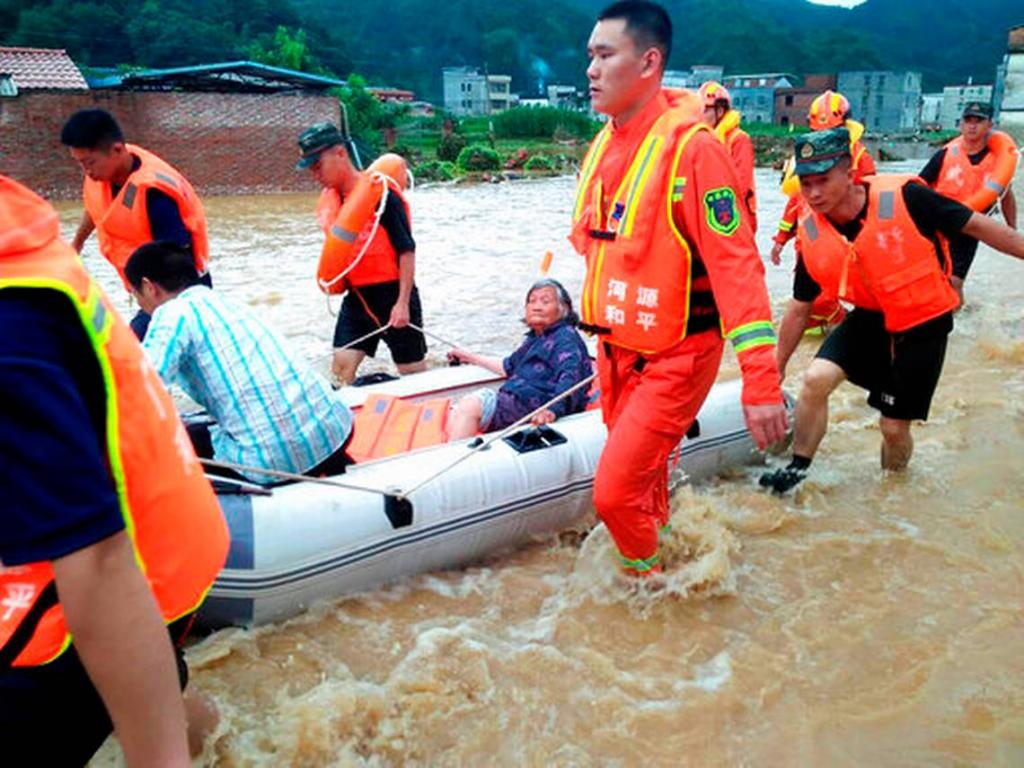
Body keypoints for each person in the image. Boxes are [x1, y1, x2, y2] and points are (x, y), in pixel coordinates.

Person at [0, 174, 228, 765]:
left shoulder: (15, 320)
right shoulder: (29, 249)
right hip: (172, 536)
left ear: (148, 288)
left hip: (112, 574)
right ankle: (225, 744)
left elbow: (97, 558)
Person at [573, 1, 788, 577]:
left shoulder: (695, 151)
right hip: (619, 351)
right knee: (641, 482)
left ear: (648, 62)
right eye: (589, 56)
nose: (590, 69)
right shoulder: (606, 146)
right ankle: (663, 540)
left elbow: (737, 267)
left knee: (613, 496)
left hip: (678, 353)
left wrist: (761, 381)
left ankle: (649, 588)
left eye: (604, 55)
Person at [761, 127, 1024, 495]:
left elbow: (980, 227)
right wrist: (776, 368)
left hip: (924, 321)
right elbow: (800, 306)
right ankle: (798, 467)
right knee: (815, 379)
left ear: (850, 174)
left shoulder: (907, 196)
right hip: (872, 316)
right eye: (806, 184)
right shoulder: (811, 229)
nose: (814, 193)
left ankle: (894, 492)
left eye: (823, 180)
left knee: (893, 428)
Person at [125, 241, 354, 484]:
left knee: (182, 439)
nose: (138, 304)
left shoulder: (171, 314)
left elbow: (146, 389)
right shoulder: (225, 302)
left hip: (273, 461)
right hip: (337, 429)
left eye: (133, 295)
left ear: (149, 287)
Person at [60, 109, 211, 340]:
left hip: (178, 288)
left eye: (89, 162)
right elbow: (96, 207)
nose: (87, 172)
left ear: (117, 150)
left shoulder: (154, 195)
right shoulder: (101, 176)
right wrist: (76, 245)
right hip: (147, 288)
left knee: (136, 347)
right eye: (80, 164)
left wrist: (153, 313)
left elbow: (179, 260)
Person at [298, 122, 427, 384]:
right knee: (340, 369)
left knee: (413, 373)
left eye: (317, 165)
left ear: (340, 154)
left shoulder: (381, 195)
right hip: (358, 298)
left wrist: (402, 304)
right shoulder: (333, 204)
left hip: (394, 294)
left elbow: (407, 250)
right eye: (310, 169)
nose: (315, 174)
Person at [446, 279, 593, 439]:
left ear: (564, 309)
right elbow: (508, 366)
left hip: (535, 406)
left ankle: (452, 458)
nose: (536, 307)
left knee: (470, 406)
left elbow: (571, 378)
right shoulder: (535, 337)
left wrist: (553, 410)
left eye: (545, 301)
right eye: (532, 301)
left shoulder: (565, 338)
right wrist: (470, 357)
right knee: (457, 412)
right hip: (517, 401)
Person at [919, 100, 1018, 295]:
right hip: (939, 222)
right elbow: (918, 186)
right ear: (961, 124)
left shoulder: (998, 160)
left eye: (978, 121)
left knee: (954, 282)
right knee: (933, 276)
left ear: (989, 125)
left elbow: (1006, 195)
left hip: (970, 225)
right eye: (968, 120)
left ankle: (957, 318)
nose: (972, 125)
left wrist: (1011, 230)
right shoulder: (945, 154)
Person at [769, 89, 877, 266]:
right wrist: (780, 240)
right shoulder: (805, 158)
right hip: (811, 235)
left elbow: (873, 203)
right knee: (807, 279)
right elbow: (796, 201)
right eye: (819, 133)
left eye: (831, 132)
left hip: (848, 239)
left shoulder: (860, 158)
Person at [699, 80, 758, 233]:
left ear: (720, 110)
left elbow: (741, 184)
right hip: (713, 214)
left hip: (736, 217)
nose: (700, 116)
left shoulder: (739, 139)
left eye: (705, 110)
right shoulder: (704, 141)